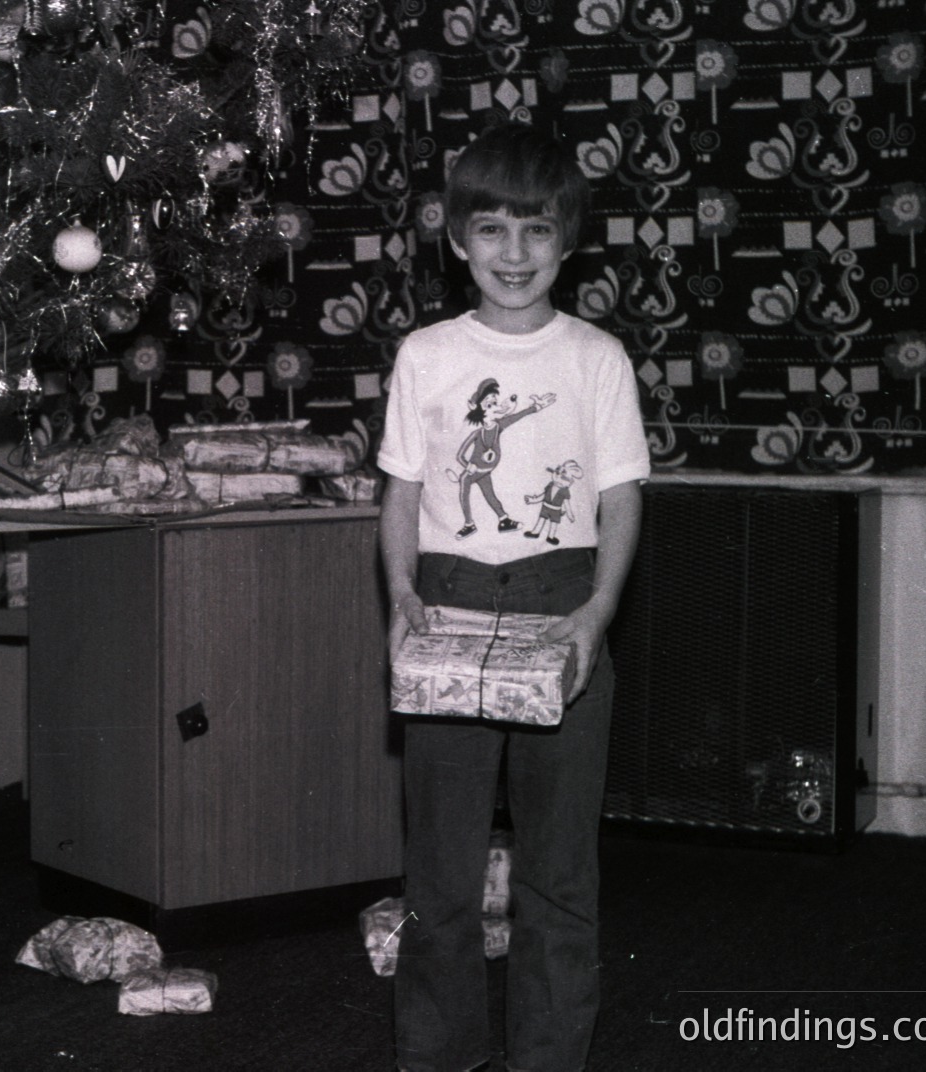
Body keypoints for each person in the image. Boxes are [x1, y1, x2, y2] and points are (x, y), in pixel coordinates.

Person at [376, 121, 651, 1072]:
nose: (515, 255)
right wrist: (402, 591)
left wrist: (599, 611)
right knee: (441, 874)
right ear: (457, 240)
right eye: (492, 231)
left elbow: (620, 498)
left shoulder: (597, 359)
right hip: (448, 600)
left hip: (563, 600)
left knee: (560, 871)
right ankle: (441, 1056)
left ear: (567, 240)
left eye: (536, 232)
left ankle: (548, 1058)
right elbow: (403, 491)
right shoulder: (426, 356)